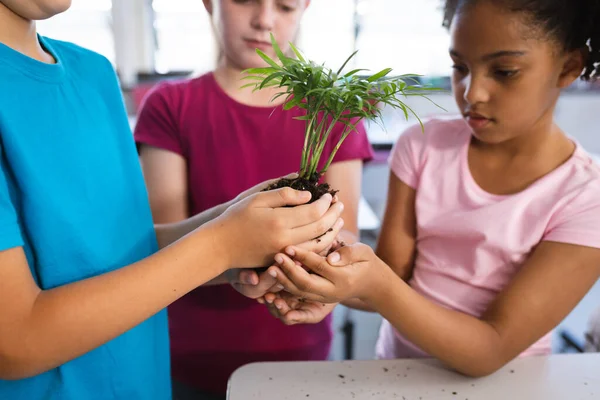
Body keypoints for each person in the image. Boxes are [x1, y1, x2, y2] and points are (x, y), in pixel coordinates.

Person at [0, 1, 345, 398]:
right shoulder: (168, 102)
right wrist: (222, 244)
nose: (265, 17)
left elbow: (124, 251)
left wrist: (232, 235)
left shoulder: (93, 74)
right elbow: (15, 341)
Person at [265, 0, 600, 377]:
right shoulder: (422, 146)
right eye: (460, 67)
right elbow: (392, 277)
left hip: (506, 386)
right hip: (397, 374)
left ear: (569, 67)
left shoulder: (586, 199)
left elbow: (489, 350)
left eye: (504, 72)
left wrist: (375, 285)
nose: (473, 93)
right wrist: (321, 284)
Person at [134, 0, 374, 397]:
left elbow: (345, 236)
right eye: (245, 0)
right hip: (190, 356)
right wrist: (242, 260)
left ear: (304, 9)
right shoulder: (170, 106)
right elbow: (162, 244)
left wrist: (314, 273)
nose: (264, 19)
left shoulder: (335, 110)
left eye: (284, 6)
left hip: (301, 354)